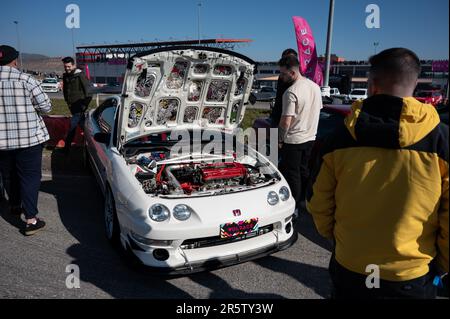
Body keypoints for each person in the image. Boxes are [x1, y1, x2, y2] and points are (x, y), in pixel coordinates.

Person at [307, 48, 449, 299]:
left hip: (351, 266)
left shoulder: (339, 138)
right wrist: (442, 264)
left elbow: (319, 203)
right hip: (411, 274)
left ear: (372, 85)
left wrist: (339, 240)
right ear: (415, 83)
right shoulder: (441, 141)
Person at [0, 45, 52, 235]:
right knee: (29, 177)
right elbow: (46, 107)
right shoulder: (26, 79)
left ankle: (14, 205)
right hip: (28, 139)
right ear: (14, 60)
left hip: (1, 142)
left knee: (8, 174)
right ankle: (31, 219)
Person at [277, 55, 322, 212]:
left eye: (283, 74)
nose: (281, 77)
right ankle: (304, 200)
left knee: (292, 174)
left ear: (293, 73)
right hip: (310, 138)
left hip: (294, 140)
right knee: (304, 171)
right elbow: (317, 110)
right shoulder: (315, 87)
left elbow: (285, 122)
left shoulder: (290, 92)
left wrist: (280, 140)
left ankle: (294, 205)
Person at [61, 56, 92, 153]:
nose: (67, 68)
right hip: (72, 107)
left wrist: (84, 106)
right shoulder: (66, 76)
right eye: (65, 67)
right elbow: (66, 90)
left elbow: (89, 92)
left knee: (72, 127)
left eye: (69, 66)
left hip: (80, 108)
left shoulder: (80, 75)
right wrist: (67, 100)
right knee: (84, 127)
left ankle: (66, 149)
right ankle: (94, 143)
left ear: (74, 65)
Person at [270, 48, 298, 128]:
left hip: (290, 120)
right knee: (271, 139)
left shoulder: (300, 81)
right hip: (277, 115)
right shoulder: (281, 77)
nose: (286, 62)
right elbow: (279, 96)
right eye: (284, 59)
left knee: (277, 138)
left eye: (289, 59)